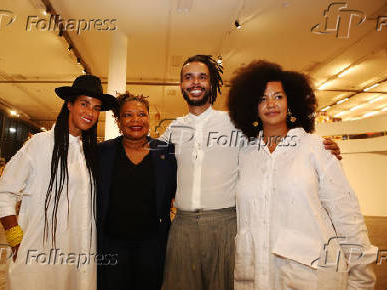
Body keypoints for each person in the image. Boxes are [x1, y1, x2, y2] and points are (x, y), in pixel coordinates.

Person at [160, 55, 342, 290]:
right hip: (182, 227)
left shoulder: (234, 124)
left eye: (202, 77)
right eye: (188, 77)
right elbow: (142, 152)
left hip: (225, 225)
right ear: (181, 86)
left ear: (212, 83)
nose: (196, 82)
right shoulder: (173, 129)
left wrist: (320, 146)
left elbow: (273, 143)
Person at [227, 60, 377, 289]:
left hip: (309, 276)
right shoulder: (246, 155)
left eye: (278, 96)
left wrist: (361, 280)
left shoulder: (316, 148)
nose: (271, 104)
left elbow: (346, 215)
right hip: (257, 277)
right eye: (262, 98)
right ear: (251, 106)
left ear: (291, 102)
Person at [0, 75, 117, 290]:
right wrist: (15, 239)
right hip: (39, 255)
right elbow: (3, 194)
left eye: (96, 108)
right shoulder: (40, 144)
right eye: (84, 104)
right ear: (69, 104)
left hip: (79, 257)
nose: (90, 113)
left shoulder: (91, 153)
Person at [97, 93, 177, 290]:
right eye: (127, 115)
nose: (135, 120)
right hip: (111, 244)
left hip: (153, 245)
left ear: (148, 117)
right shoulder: (102, 152)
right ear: (118, 120)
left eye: (141, 114)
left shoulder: (166, 152)